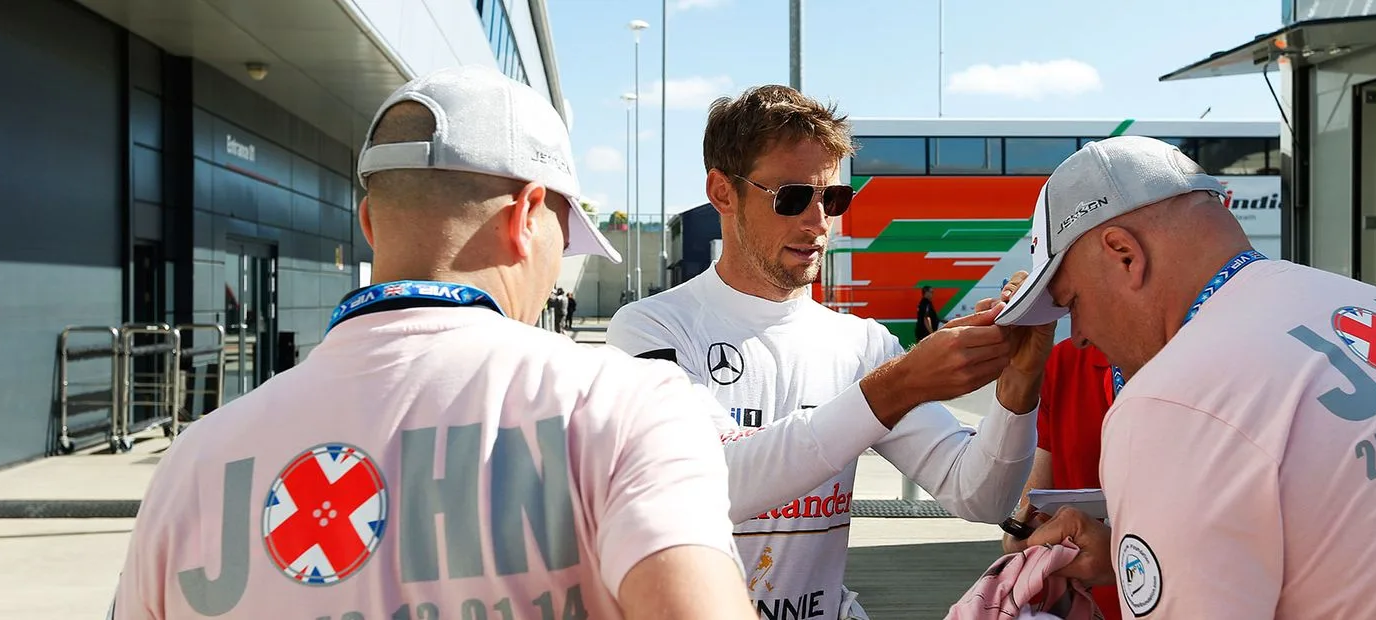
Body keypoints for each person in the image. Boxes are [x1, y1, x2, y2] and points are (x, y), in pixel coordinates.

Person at [111, 65, 756, 620]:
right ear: (527, 216)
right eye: (565, 234)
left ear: (368, 223)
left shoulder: (193, 463)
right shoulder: (623, 408)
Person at [994, 135, 1376, 618]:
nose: (1082, 334)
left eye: (1072, 303)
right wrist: (1127, 561)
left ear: (1125, 254)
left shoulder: (1174, 398)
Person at [605, 84, 1052, 619]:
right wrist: (900, 383)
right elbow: (710, 484)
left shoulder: (861, 344)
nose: (819, 223)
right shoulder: (649, 328)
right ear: (722, 193)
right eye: (793, 197)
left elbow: (979, 497)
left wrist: (1018, 387)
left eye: (833, 199)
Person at [995, 323, 1120, 617]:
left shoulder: (1208, 365)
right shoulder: (1066, 362)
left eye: (1077, 299)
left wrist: (1120, 556)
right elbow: (1024, 520)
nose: (1076, 332)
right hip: (1088, 606)